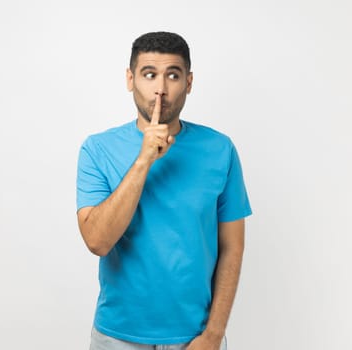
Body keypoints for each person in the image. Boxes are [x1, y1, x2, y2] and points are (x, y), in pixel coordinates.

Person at [76, 31, 252, 350]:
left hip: (196, 337)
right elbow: (97, 241)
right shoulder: (97, 149)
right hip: (117, 336)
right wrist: (144, 159)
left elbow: (232, 248)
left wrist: (213, 336)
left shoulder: (220, 149)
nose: (160, 89)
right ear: (130, 79)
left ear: (189, 82)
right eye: (149, 74)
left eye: (173, 75)